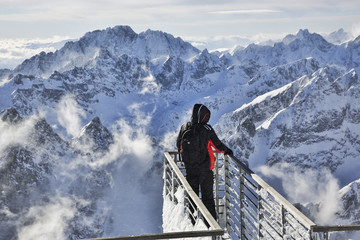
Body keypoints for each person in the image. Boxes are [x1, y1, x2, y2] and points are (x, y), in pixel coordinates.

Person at [176, 103, 233, 221]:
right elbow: (218, 146)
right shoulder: (207, 129)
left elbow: (179, 145)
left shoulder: (184, 127)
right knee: (208, 199)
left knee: (192, 197)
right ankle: (211, 227)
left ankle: (192, 223)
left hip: (190, 169)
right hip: (205, 170)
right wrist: (227, 151)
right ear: (204, 116)